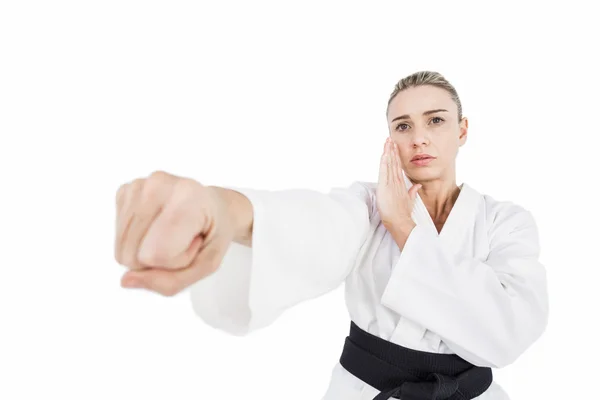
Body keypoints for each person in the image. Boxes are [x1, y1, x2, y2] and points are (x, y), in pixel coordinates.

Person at [114, 71, 549, 399]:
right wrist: (222, 210)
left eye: (435, 120)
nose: (419, 138)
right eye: (402, 126)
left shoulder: (505, 222)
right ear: (390, 139)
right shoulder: (366, 204)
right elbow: (313, 226)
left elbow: (508, 331)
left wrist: (403, 227)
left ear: (462, 130)